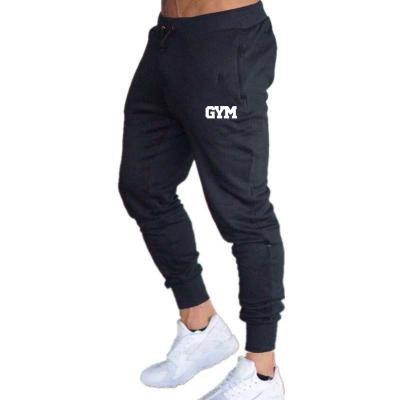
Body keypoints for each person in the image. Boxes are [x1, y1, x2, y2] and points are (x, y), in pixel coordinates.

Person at [119, 0, 285, 398]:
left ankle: (262, 371)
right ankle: (200, 322)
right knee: (144, 185)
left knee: (244, 210)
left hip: (226, 41)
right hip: (167, 41)